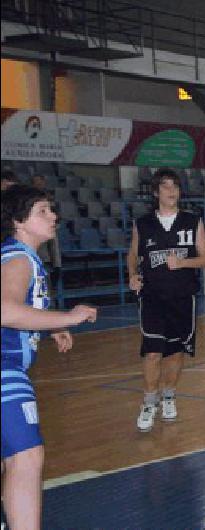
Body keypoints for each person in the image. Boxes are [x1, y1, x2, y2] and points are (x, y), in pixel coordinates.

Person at [1, 184, 97, 530]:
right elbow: (5, 310)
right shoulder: (18, 258)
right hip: (4, 367)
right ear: (18, 220)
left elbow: (20, 309)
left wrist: (49, 325)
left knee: (13, 456)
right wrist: (67, 317)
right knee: (26, 457)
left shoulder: (21, 256)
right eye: (43, 210)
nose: (54, 216)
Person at [127, 168, 205, 432]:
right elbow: (132, 254)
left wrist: (184, 262)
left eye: (174, 186)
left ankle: (169, 397)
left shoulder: (192, 221)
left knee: (175, 353)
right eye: (165, 186)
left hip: (182, 296)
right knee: (153, 352)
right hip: (152, 296)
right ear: (156, 192)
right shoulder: (143, 223)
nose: (171, 190)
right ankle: (149, 402)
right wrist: (132, 274)